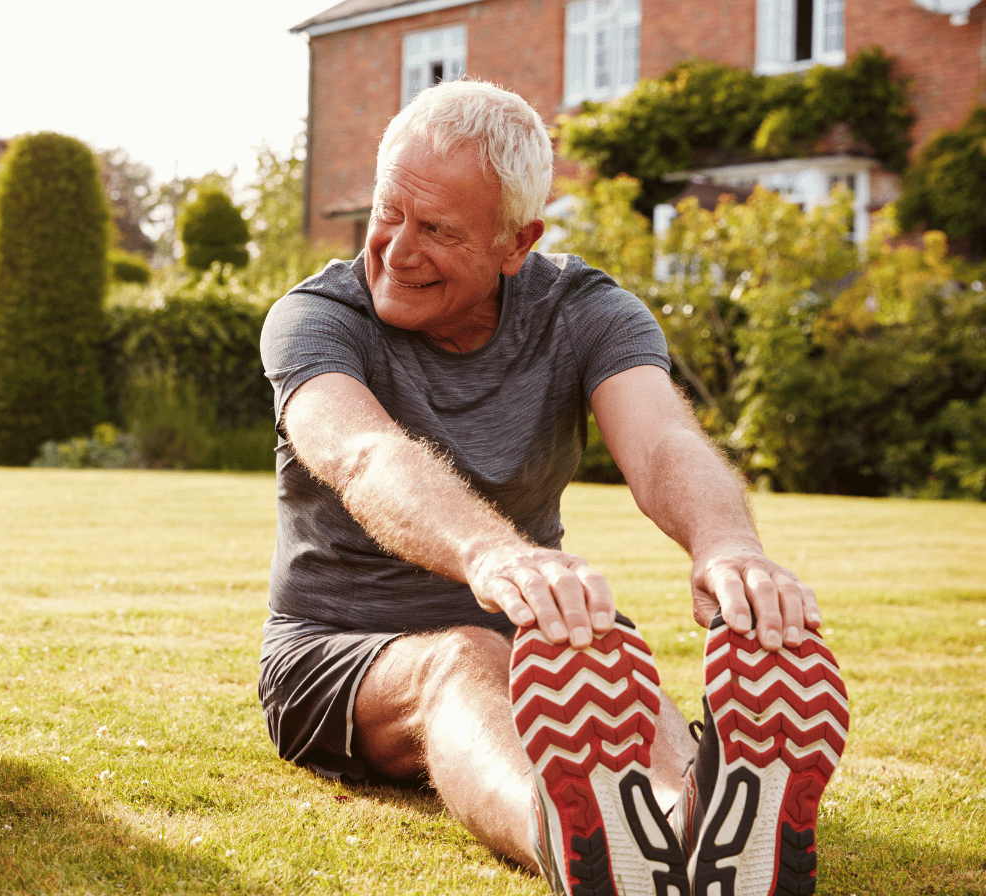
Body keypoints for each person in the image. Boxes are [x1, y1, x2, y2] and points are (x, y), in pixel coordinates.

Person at [258, 78, 849, 896]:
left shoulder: (586, 312)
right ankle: (576, 841)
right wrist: (490, 551)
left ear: (516, 241)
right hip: (336, 653)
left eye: (436, 229)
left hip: (539, 627)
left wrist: (727, 544)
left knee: (606, 652)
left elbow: (663, 439)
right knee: (465, 657)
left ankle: (694, 830)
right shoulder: (316, 315)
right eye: (387, 211)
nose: (395, 249)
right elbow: (362, 453)